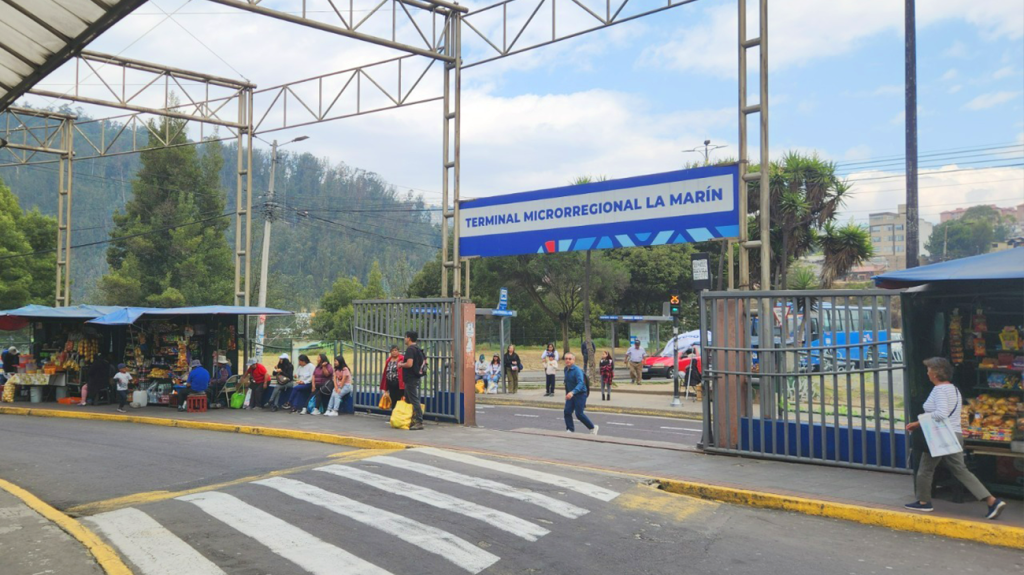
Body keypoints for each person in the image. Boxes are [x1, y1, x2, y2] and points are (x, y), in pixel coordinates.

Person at [904, 357, 1006, 519]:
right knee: (960, 470)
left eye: (929, 370)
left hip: (940, 436)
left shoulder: (939, 390)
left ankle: (923, 502)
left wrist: (918, 422)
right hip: (955, 434)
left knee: (925, 469)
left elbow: (941, 414)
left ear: (936, 373)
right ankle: (992, 501)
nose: (927, 373)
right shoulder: (954, 389)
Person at [563, 352, 597, 435]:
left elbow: (581, 383)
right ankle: (570, 429)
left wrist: (573, 392)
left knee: (579, 414)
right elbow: (567, 383)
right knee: (567, 411)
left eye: (570, 359)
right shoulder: (566, 369)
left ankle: (592, 427)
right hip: (571, 394)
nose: (567, 360)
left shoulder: (577, 370)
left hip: (580, 394)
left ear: (574, 360)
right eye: (566, 359)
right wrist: (567, 393)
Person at [400, 331, 425, 431]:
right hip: (414, 377)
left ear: (409, 338)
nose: (405, 339)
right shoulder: (417, 348)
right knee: (408, 400)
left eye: (405, 337)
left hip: (411, 378)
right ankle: (409, 419)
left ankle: (419, 421)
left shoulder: (410, 349)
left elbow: (409, 364)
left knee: (414, 400)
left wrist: (401, 364)